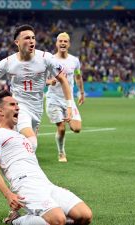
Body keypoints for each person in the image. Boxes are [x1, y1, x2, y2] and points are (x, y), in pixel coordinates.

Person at [0, 90, 92, 225]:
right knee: (58, 220)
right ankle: (15, 221)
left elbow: (33, 129)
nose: (17, 107)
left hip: (45, 183)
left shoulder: (21, 136)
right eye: (12, 104)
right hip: (25, 185)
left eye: (17, 104)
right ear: (0, 111)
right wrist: (8, 194)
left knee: (85, 216)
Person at [0, 24, 73, 150]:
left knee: (16, 142)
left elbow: (63, 80)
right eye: (27, 38)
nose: (31, 41)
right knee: (32, 144)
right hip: (19, 107)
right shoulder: (8, 62)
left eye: (33, 38)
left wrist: (69, 105)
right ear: (17, 42)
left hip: (37, 108)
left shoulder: (46, 58)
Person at [45, 32, 85, 163]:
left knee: (77, 129)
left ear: (69, 44)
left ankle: (68, 118)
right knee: (61, 128)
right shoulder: (50, 60)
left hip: (69, 100)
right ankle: (61, 153)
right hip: (53, 99)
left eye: (65, 41)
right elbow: (41, 78)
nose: (62, 43)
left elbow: (78, 76)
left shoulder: (74, 61)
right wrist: (49, 82)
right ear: (56, 43)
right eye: (60, 41)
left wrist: (82, 93)